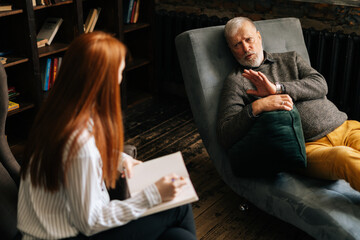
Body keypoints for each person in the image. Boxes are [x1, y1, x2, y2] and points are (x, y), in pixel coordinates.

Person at [17, 32, 197, 240]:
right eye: (119, 73)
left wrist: (119, 158)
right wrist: (154, 195)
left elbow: (81, 156)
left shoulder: (60, 114)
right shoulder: (78, 144)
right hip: (70, 234)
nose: (120, 80)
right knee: (178, 207)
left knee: (177, 237)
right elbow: (90, 222)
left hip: (57, 225)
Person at [217, 16, 360, 192]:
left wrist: (278, 89)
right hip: (311, 147)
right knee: (344, 157)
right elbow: (225, 133)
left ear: (259, 37)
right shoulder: (237, 82)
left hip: (345, 127)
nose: (246, 48)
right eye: (237, 45)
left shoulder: (290, 58)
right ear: (231, 50)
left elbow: (320, 85)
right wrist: (258, 106)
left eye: (248, 39)